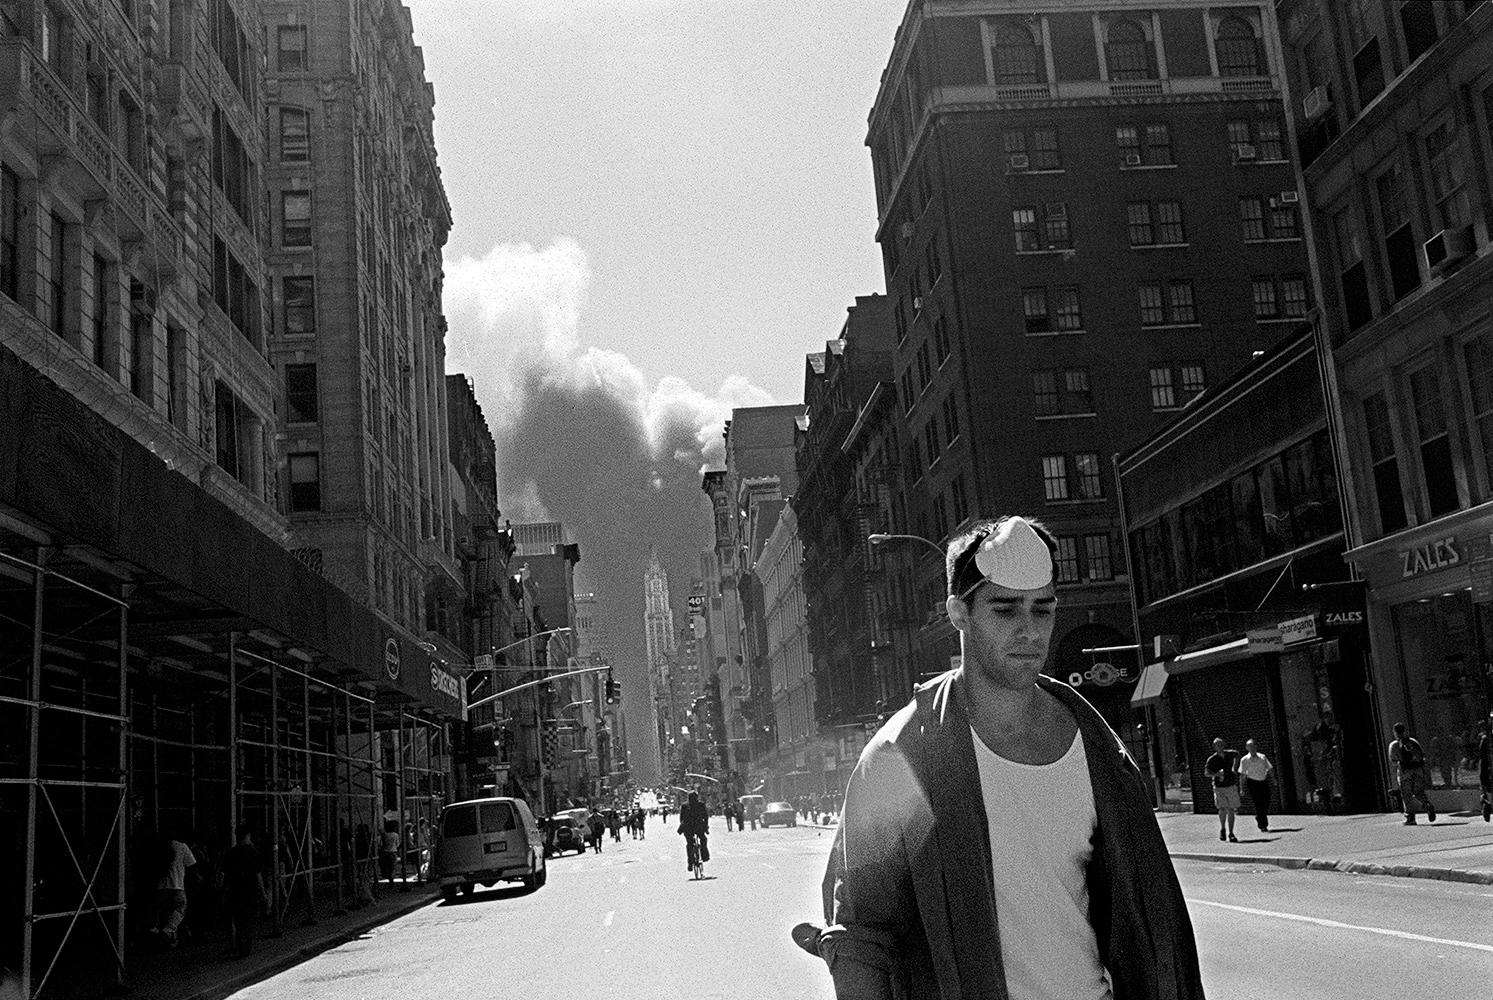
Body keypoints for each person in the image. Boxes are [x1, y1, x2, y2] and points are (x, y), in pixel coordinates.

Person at [793, 516, 1202, 999]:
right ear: (958, 613)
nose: (1029, 631)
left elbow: (1151, 918)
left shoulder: (1097, 748)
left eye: (1042, 610)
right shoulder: (899, 756)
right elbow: (863, 931)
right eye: (1006, 611)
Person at [221, 824, 268, 958]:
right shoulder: (252, 852)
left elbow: (225, 875)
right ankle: (245, 943)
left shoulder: (231, 853)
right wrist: (263, 892)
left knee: (237, 918)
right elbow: (257, 873)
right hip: (249, 890)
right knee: (249, 918)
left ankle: (239, 941)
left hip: (234, 891)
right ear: (248, 835)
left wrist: (224, 893)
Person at [151, 830, 197, 947]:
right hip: (177, 885)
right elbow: (191, 864)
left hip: (161, 888)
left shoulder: (159, 847)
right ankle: (167, 932)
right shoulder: (182, 847)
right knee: (179, 910)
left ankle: (168, 938)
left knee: (166, 914)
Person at [1388, 722, 1435, 825]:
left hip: (1405, 772)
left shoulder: (1394, 745)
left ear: (1395, 732)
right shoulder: (1413, 741)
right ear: (1405, 731)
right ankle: (1427, 805)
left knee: (1407, 795)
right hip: (1418, 770)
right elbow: (1422, 756)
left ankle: (1410, 817)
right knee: (1418, 791)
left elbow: (1394, 761)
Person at [1205, 737, 1242, 842]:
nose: (1220, 747)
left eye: (1221, 744)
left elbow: (1237, 754)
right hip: (1219, 786)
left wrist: (1234, 768)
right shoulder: (1212, 759)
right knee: (1222, 808)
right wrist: (1217, 774)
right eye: (1217, 745)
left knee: (1231, 809)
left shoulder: (1230, 754)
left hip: (1230, 784)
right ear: (1214, 747)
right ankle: (1222, 828)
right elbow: (1206, 773)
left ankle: (1231, 833)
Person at [1237, 738, 1274, 832]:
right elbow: (1242, 774)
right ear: (1247, 748)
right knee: (1258, 803)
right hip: (1252, 783)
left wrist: (1274, 778)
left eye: (1253, 746)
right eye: (1250, 746)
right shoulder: (1244, 760)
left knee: (1266, 801)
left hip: (1263, 781)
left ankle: (1259, 817)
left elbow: (1269, 768)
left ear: (1256, 747)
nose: (1252, 748)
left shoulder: (1263, 757)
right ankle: (1263, 825)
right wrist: (1241, 788)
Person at [677, 790, 710, 876]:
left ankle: (691, 862)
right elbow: (705, 817)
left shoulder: (685, 806)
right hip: (697, 827)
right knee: (702, 840)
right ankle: (703, 856)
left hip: (690, 828)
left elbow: (681, 819)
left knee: (690, 844)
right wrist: (706, 826)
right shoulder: (700, 805)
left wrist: (683, 827)